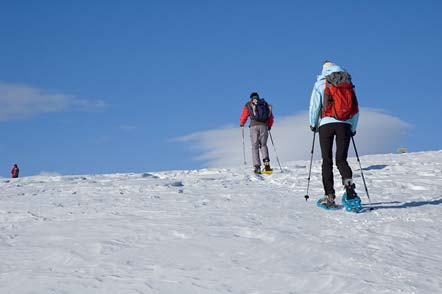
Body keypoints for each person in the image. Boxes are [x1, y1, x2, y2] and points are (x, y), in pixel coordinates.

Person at [309, 61, 360, 208]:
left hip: (326, 124)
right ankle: (350, 191)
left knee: (327, 160)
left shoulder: (320, 83)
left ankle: (329, 196)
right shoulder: (347, 82)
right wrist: (353, 127)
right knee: (341, 159)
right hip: (345, 124)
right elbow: (355, 109)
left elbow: (314, 106)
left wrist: (313, 124)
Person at [240, 92, 274, 174]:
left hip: (253, 126)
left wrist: (242, 123)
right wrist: (269, 126)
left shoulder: (248, 104)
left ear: (251, 97)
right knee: (263, 145)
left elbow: (244, 115)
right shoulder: (264, 104)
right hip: (264, 126)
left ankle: (257, 167)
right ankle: (267, 164)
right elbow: (270, 116)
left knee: (255, 146)